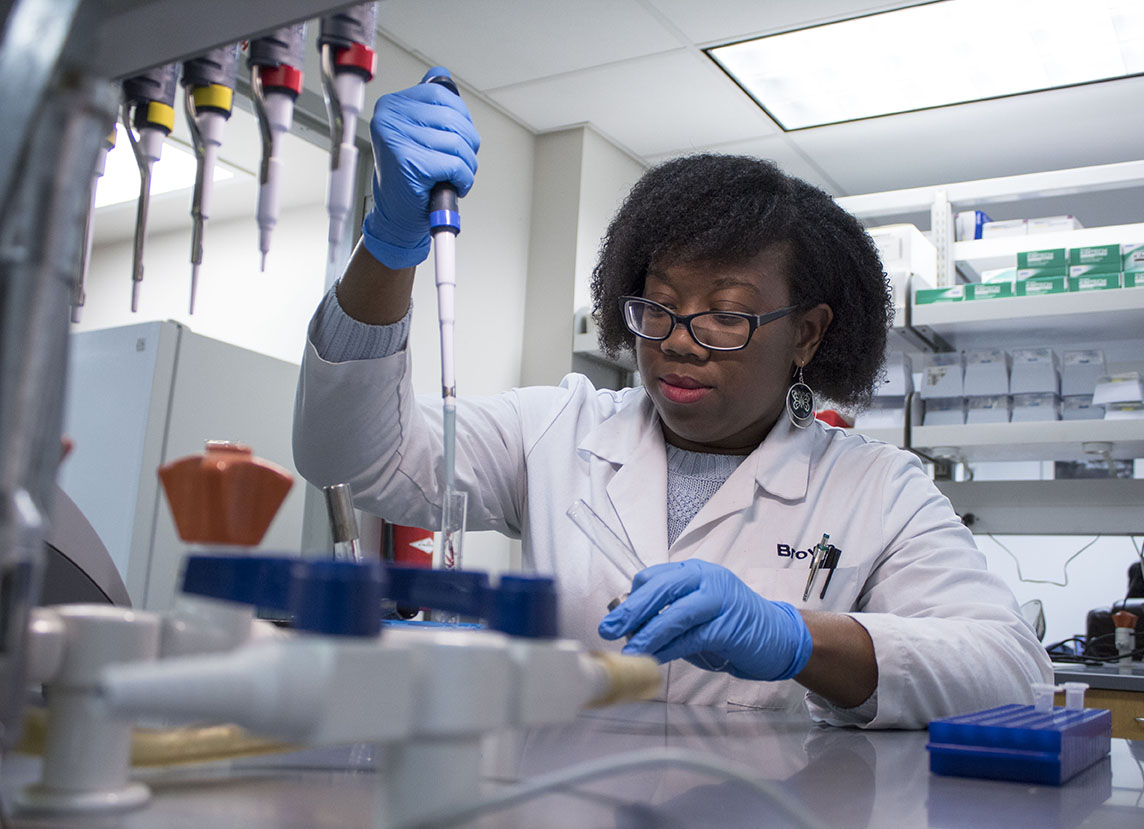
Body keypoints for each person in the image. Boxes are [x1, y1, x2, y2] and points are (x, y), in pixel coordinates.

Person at [293, 70, 1052, 729]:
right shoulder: (558, 429)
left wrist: (797, 638)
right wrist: (387, 246)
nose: (680, 342)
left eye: (726, 312)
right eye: (657, 306)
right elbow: (354, 460)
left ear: (809, 334)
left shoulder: (878, 489)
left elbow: (1012, 671)